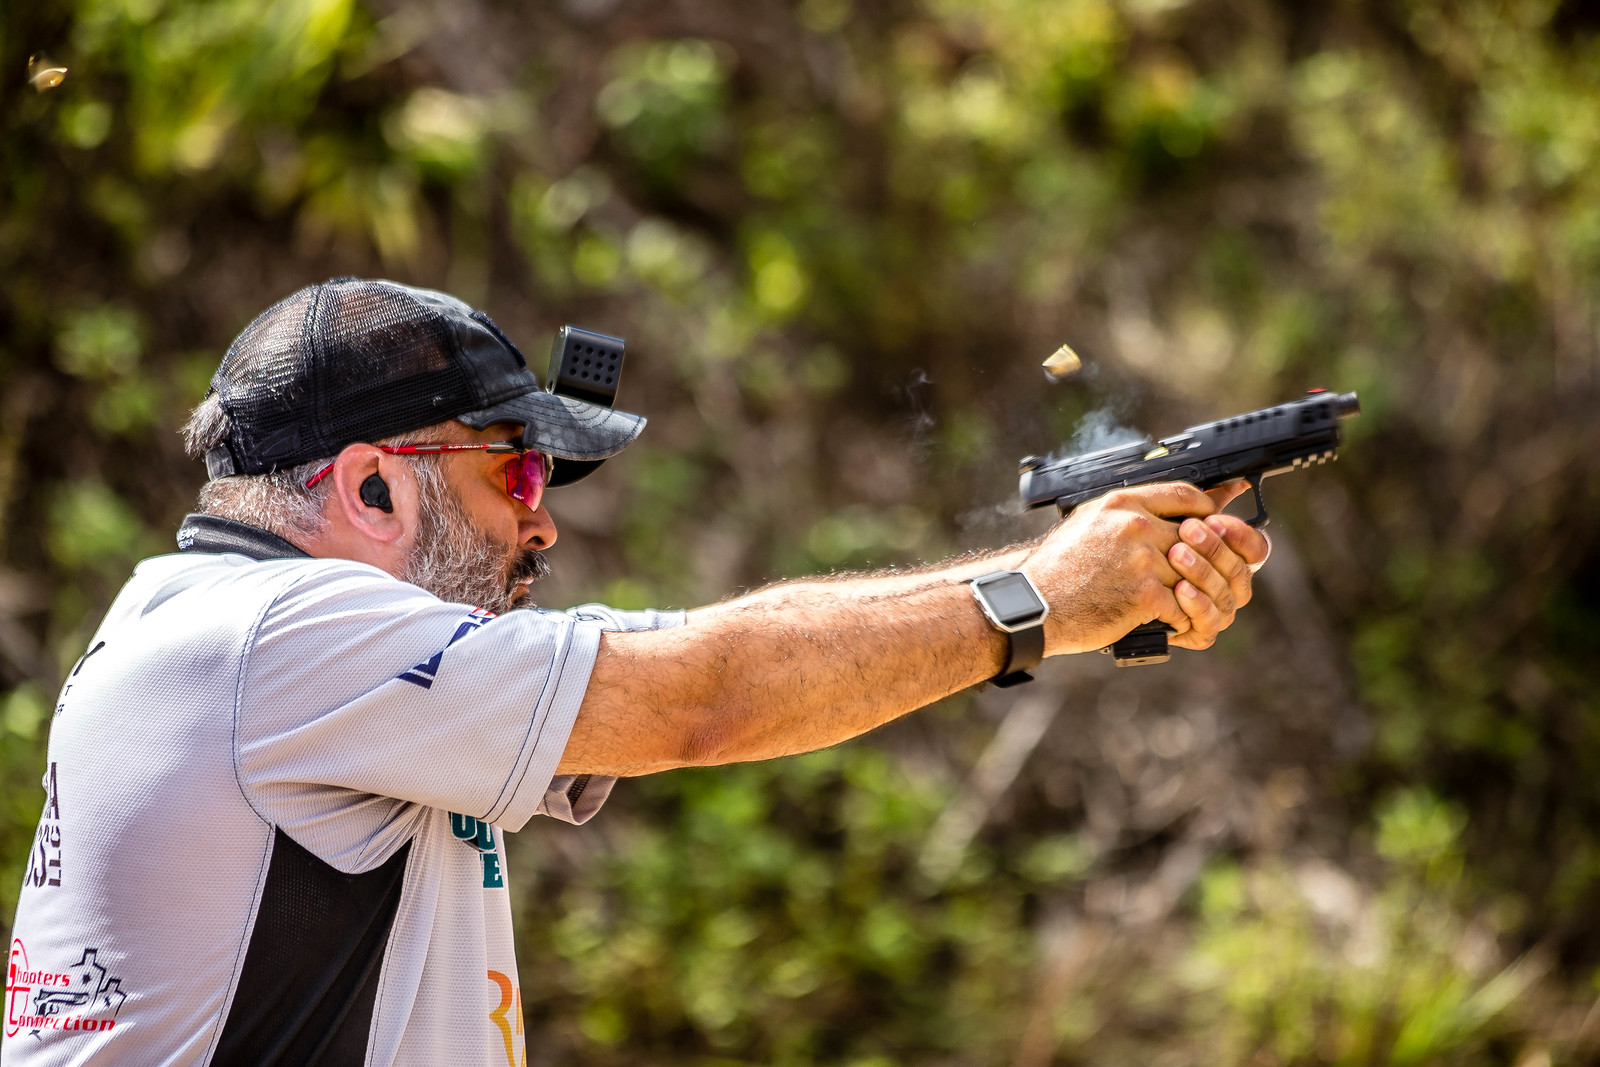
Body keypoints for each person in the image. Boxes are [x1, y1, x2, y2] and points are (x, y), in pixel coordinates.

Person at [2, 278, 1267, 1066]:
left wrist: (1075, 582)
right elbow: (701, 695)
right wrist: (1041, 596)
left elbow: (697, 654)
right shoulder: (277, 633)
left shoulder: (216, 627)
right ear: (374, 487)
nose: (540, 520)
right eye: (514, 471)